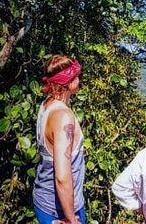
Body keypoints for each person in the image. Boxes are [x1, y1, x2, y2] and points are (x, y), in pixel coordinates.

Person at [33, 55, 87, 224]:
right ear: (67, 82)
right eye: (76, 75)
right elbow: (62, 176)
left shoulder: (47, 105)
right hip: (61, 210)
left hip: (43, 200)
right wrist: (71, 219)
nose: (79, 79)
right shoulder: (63, 116)